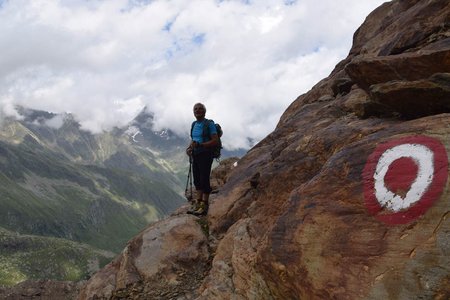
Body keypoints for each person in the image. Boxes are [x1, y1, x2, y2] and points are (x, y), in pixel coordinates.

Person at [186, 103, 219, 216]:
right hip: (196, 154)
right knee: (197, 179)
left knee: (204, 178)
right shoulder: (194, 124)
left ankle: (204, 205)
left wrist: (201, 145)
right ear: (193, 112)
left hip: (206, 154)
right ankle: (198, 203)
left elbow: (215, 140)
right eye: (195, 109)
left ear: (204, 111)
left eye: (200, 109)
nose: (197, 111)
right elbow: (194, 139)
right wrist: (190, 148)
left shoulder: (209, 124)